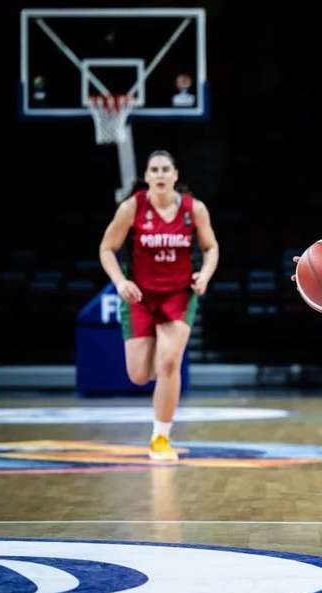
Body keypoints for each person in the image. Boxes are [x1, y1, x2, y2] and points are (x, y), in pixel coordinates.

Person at [99, 150, 219, 460]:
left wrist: (204, 275)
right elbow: (107, 248)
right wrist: (120, 282)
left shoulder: (195, 210)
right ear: (147, 176)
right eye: (155, 169)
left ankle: (160, 438)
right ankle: (162, 378)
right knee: (139, 375)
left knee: (169, 363)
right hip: (140, 296)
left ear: (176, 175)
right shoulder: (132, 207)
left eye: (167, 169)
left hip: (178, 295)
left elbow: (211, 247)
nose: (161, 174)